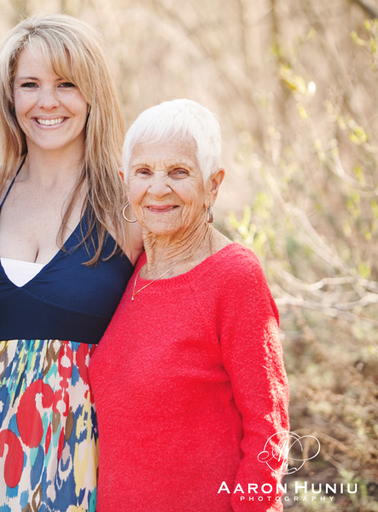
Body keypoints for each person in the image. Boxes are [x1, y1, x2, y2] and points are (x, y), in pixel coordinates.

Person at [0, 14, 141, 511]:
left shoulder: (129, 203)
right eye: (30, 85)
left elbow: (219, 272)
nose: (47, 101)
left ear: (92, 93)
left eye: (66, 84)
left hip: (76, 464)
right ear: (10, 97)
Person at [90, 99, 289, 511]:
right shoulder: (131, 270)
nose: (158, 188)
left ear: (212, 185)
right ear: (126, 181)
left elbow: (268, 427)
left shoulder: (234, 276)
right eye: (144, 172)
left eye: (178, 172)